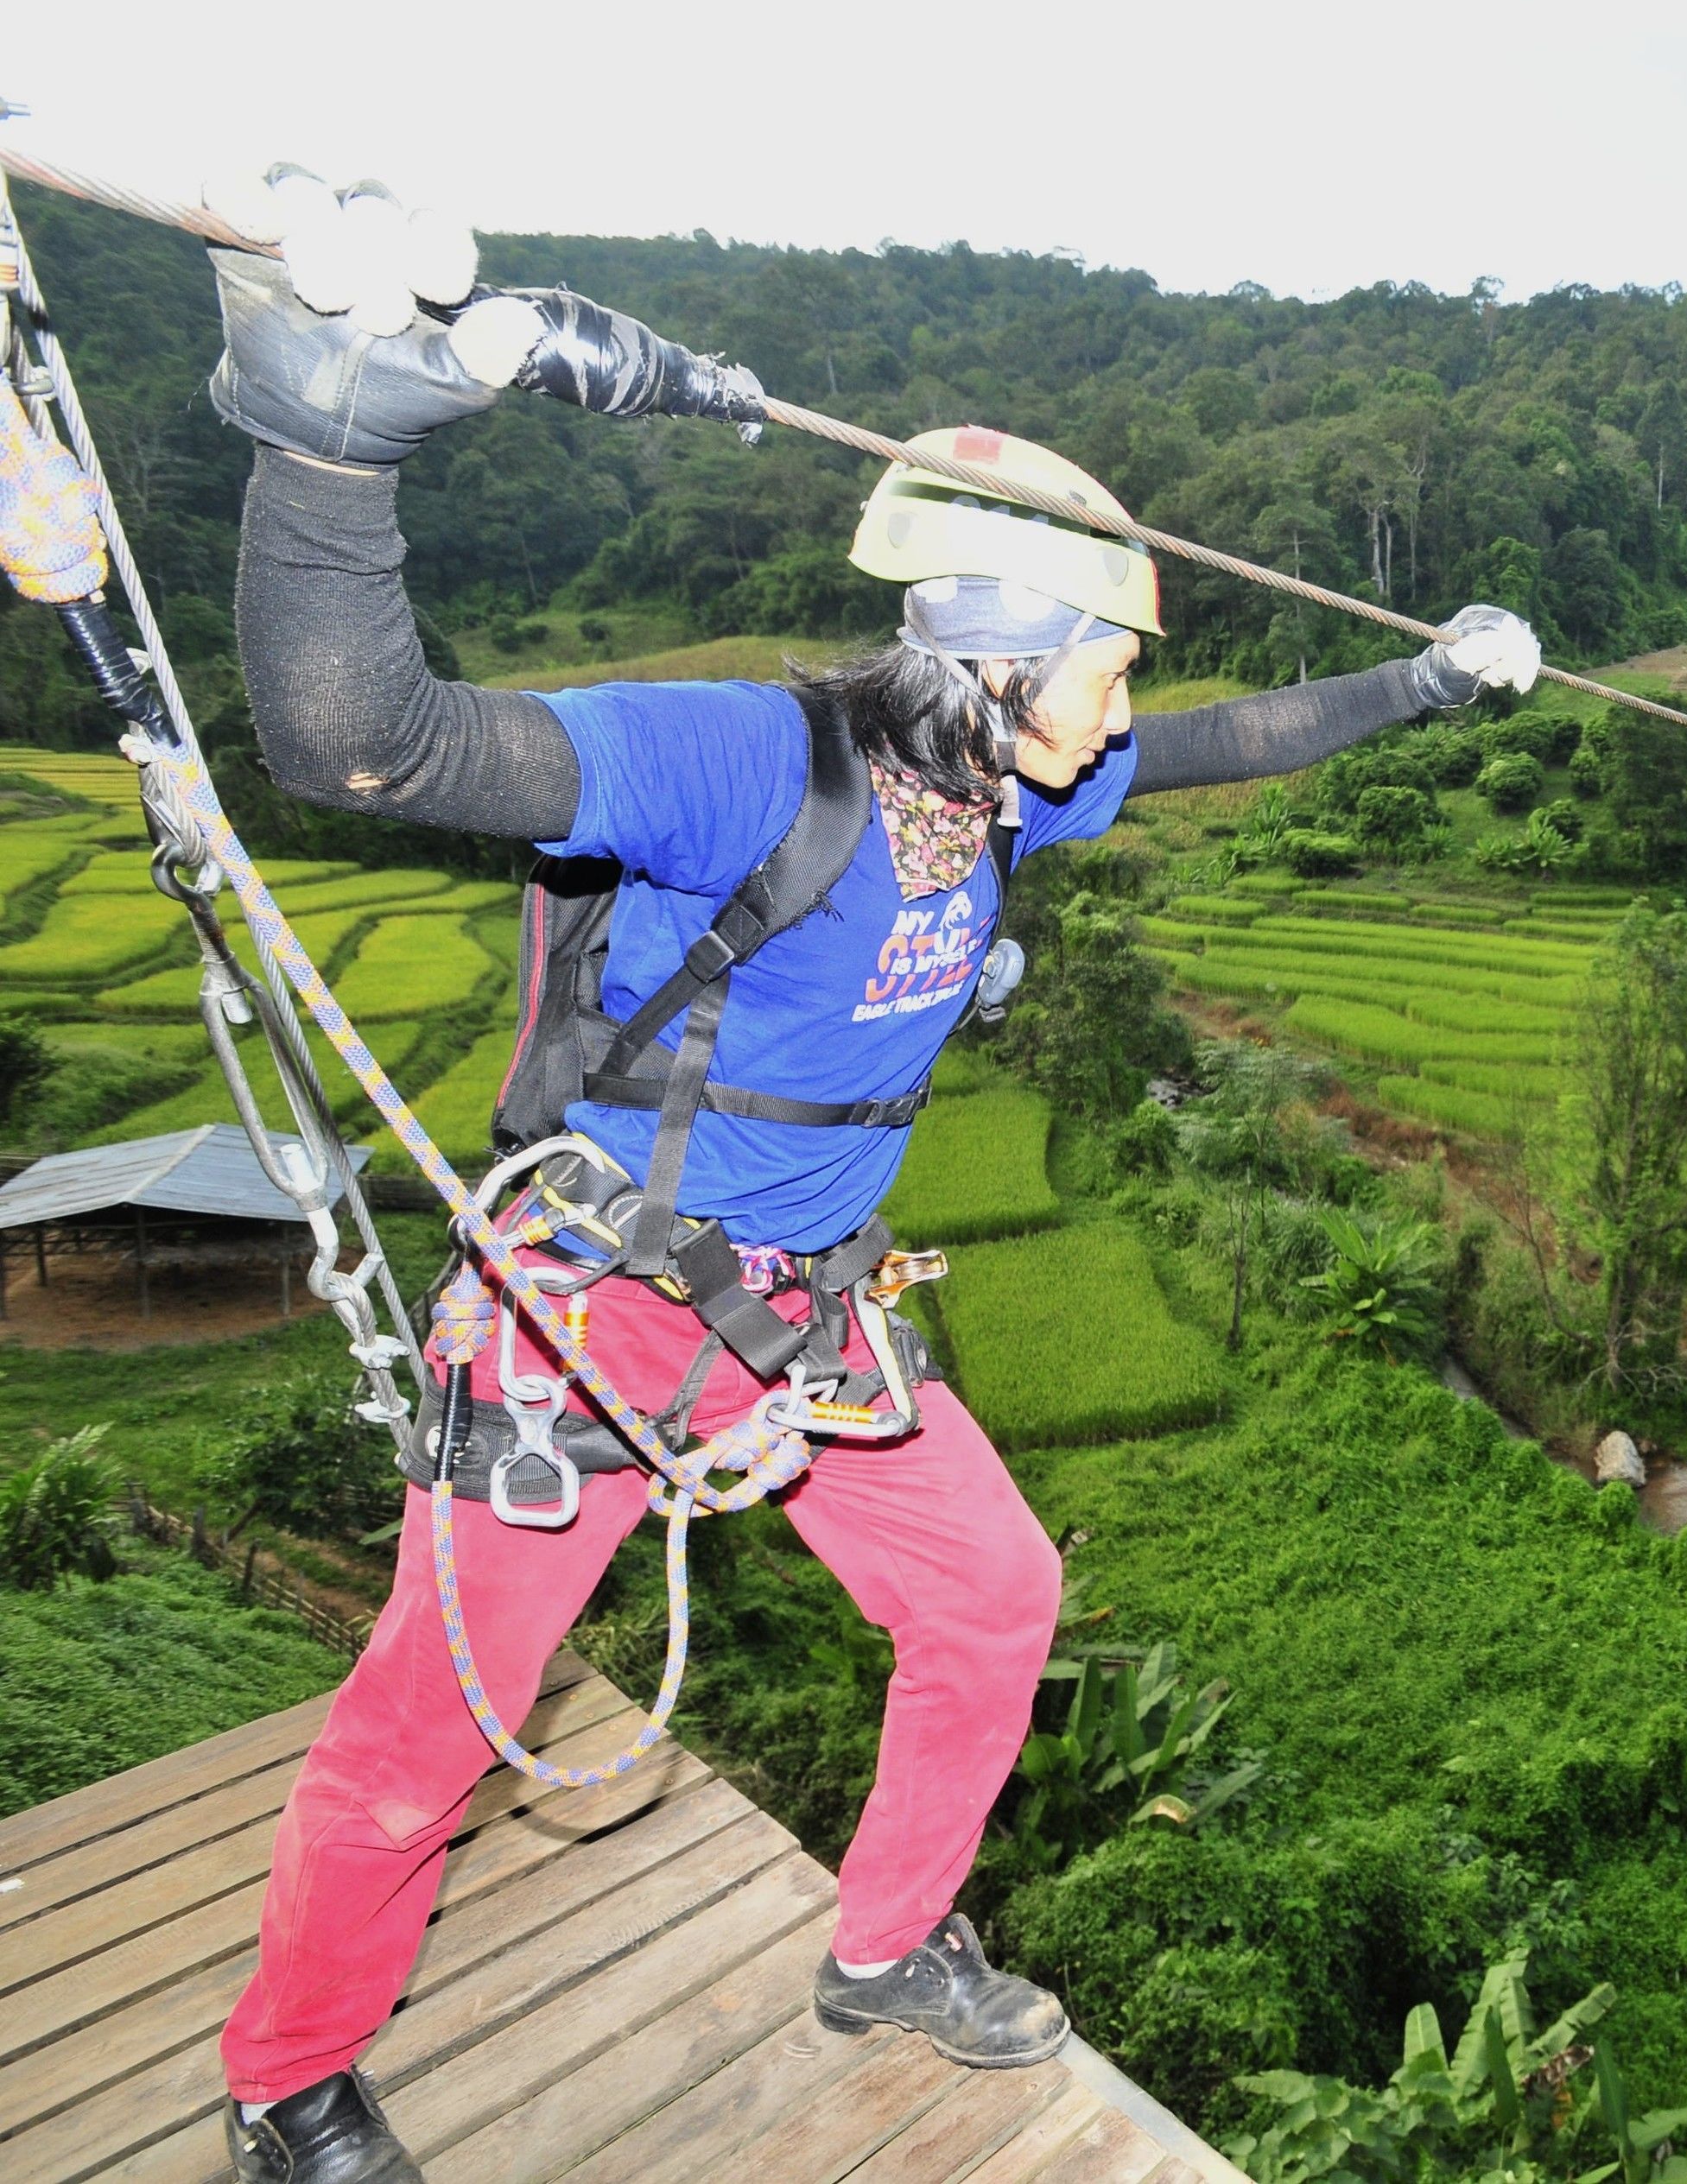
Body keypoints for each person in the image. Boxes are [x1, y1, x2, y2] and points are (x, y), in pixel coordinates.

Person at [0, 170, 1544, 2184]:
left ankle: (887, 1946)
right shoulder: (750, 761)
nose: (1127, 710)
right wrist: (325, 451)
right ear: (1007, 656)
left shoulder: (1015, 796)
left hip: (797, 1318)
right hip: (596, 1312)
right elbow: (364, 744)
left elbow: (1236, 737)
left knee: (993, 1598)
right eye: (1108, 665)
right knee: (422, 1739)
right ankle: (287, 2071)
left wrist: (1430, 682)